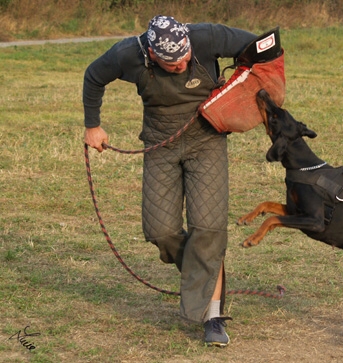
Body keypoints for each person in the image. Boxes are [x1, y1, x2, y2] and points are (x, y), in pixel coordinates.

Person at [83, 15, 257, 347]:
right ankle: (204, 274)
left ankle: (213, 315)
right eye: (171, 62)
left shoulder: (206, 35)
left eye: (184, 58)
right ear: (152, 53)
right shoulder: (128, 54)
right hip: (159, 144)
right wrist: (93, 125)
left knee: (208, 227)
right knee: (159, 230)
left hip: (207, 141)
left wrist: (240, 84)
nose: (181, 65)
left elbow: (261, 46)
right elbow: (93, 76)